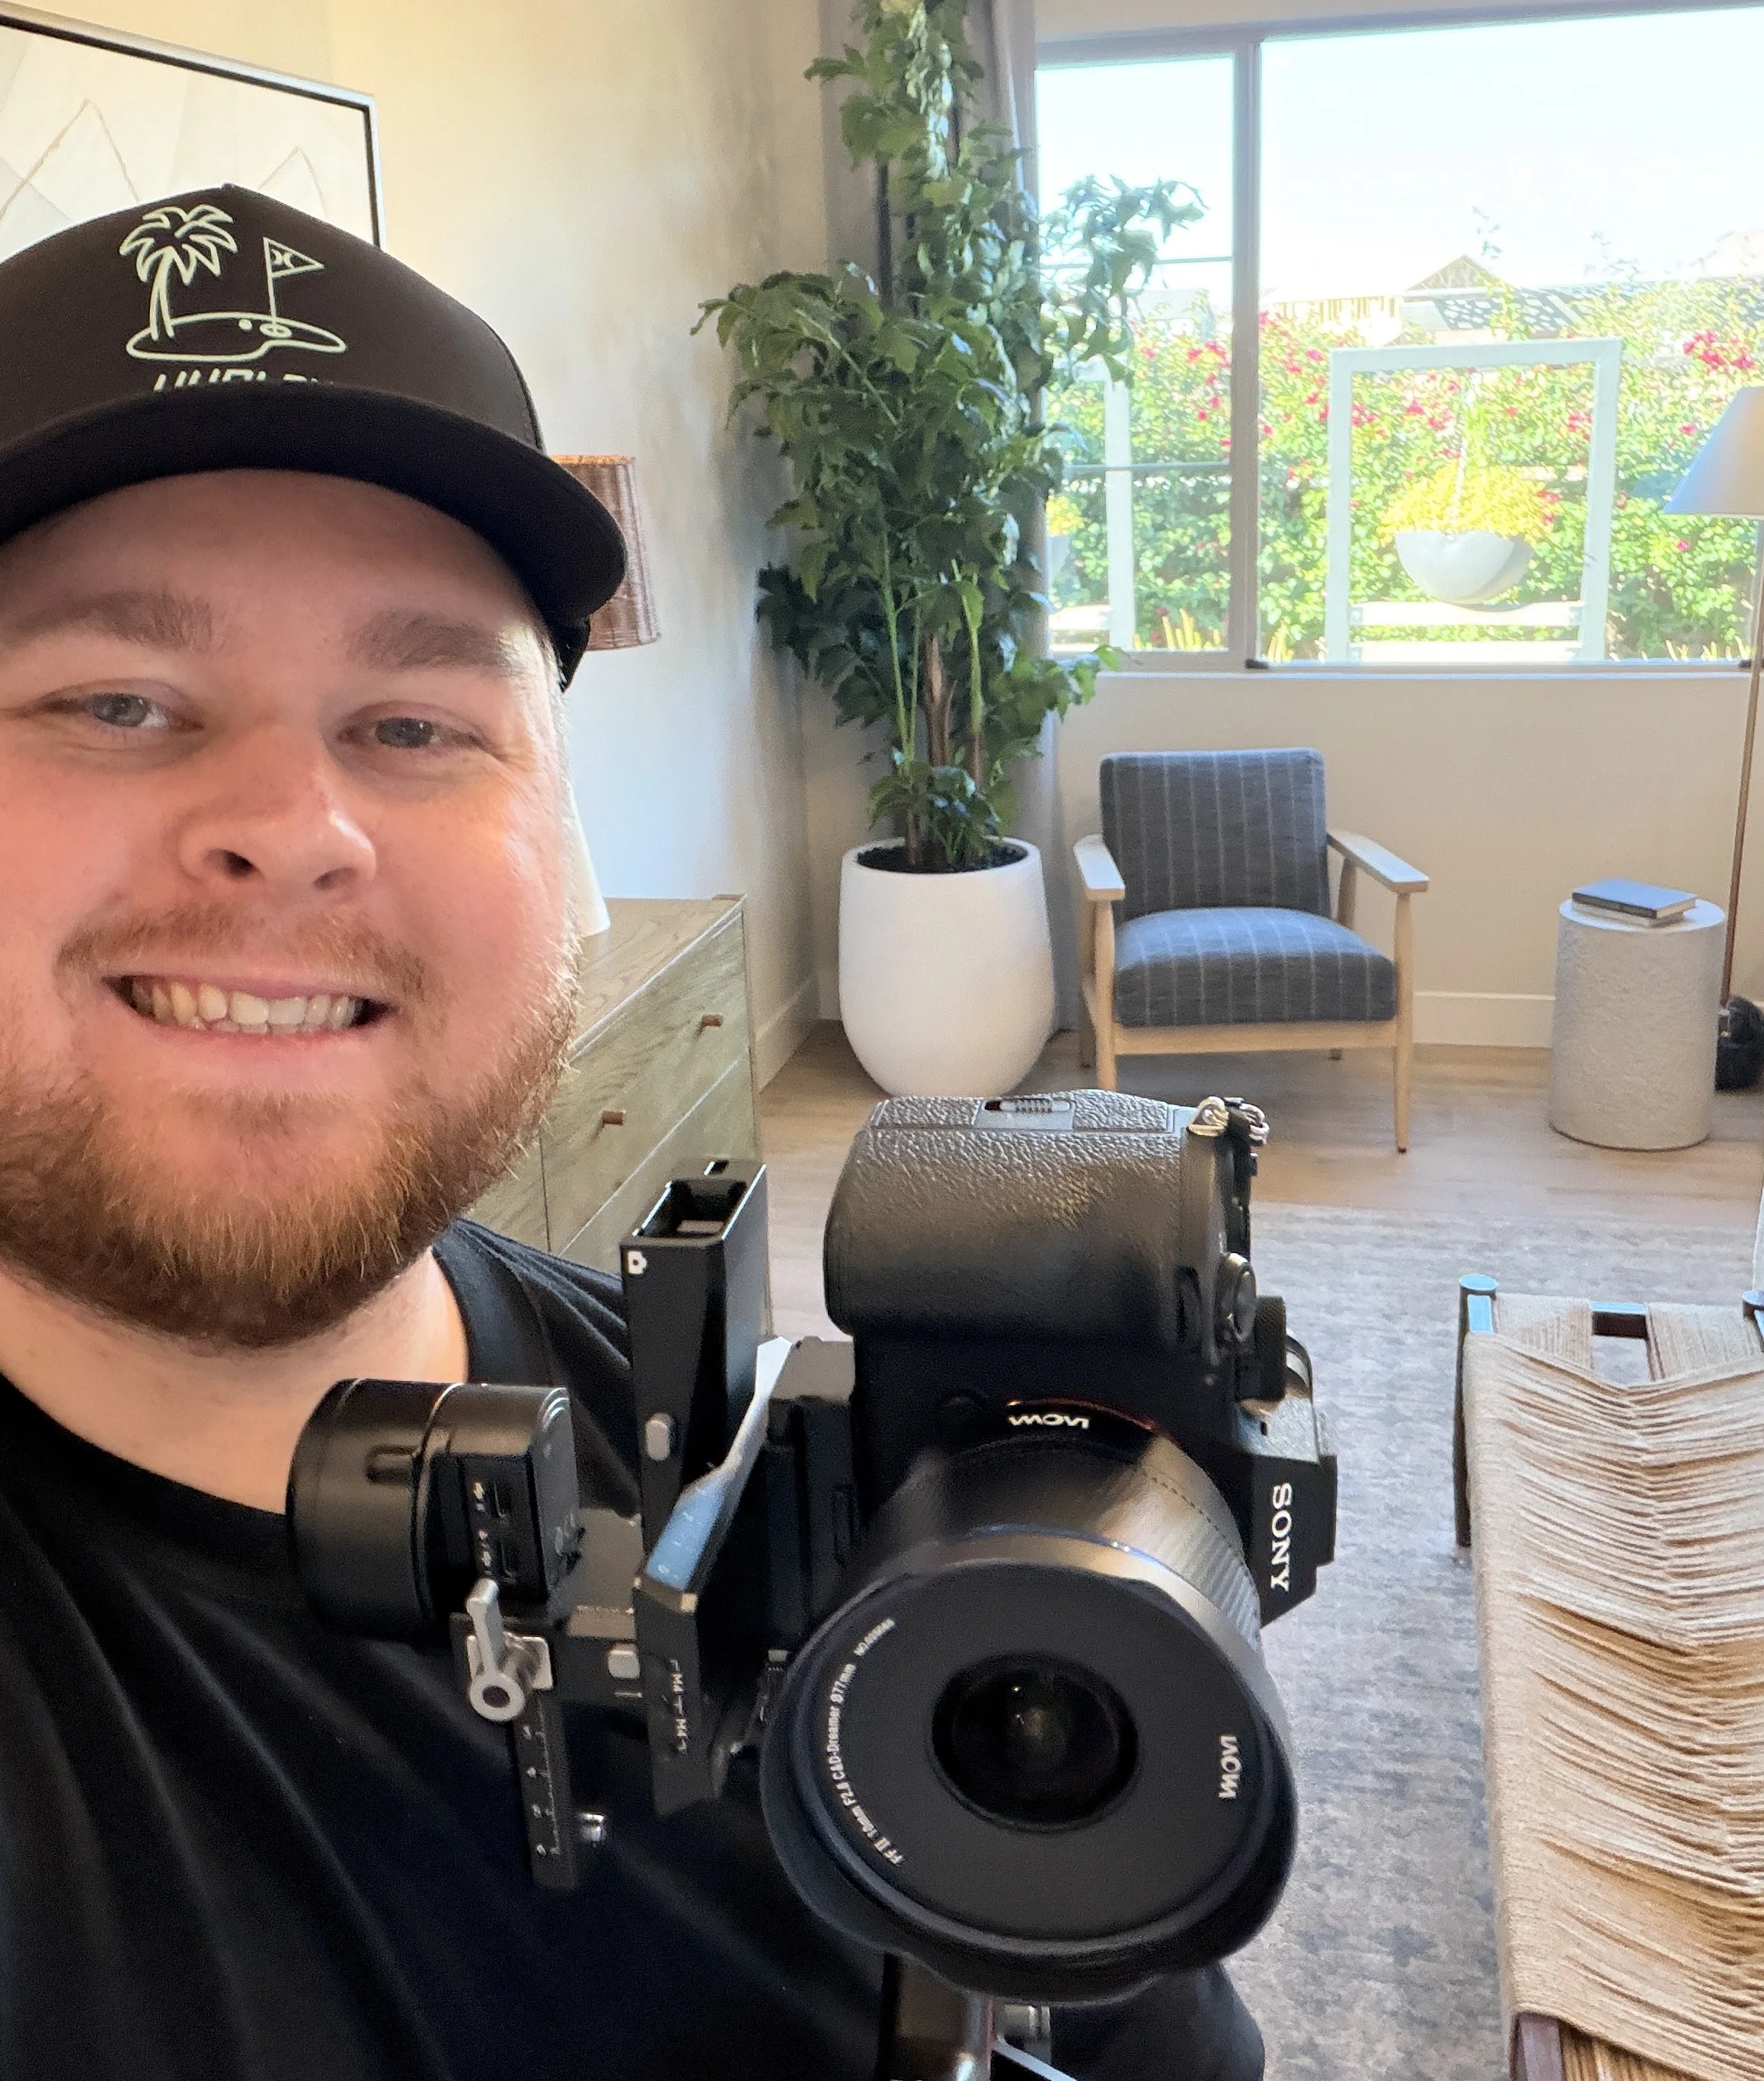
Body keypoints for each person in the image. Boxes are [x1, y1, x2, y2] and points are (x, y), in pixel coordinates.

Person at [0, 187, 1264, 2080]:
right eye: (115, 699)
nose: (294, 821)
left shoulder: (776, 1482)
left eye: (418, 723)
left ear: (562, 855)